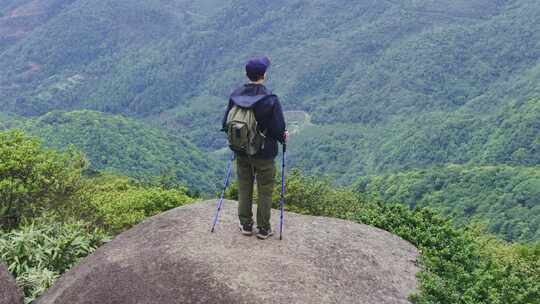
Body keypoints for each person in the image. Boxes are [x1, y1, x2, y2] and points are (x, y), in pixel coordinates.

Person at [222, 57, 287, 239]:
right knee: (265, 189)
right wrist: (284, 137)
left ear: (246, 74)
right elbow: (278, 130)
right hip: (264, 153)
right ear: (264, 76)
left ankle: (246, 225)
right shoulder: (270, 99)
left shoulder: (235, 95)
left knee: (244, 186)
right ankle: (264, 228)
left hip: (241, 150)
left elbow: (225, 123)